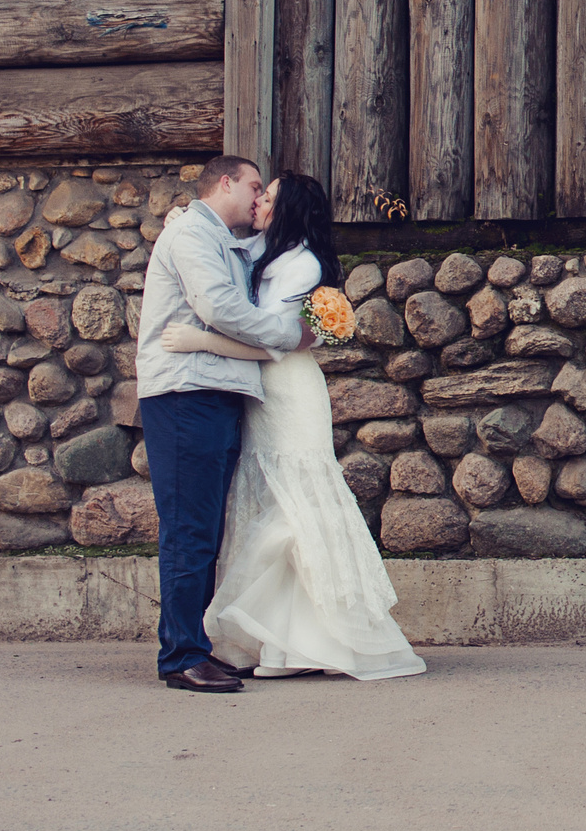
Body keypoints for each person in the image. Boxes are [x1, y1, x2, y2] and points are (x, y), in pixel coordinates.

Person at [162, 171, 426, 682]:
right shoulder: (266, 249)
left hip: (289, 392)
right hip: (263, 395)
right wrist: (182, 219)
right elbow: (220, 242)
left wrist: (204, 344)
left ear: (289, 208)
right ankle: (282, 647)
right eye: (258, 193)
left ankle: (321, 639)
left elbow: (278, 340)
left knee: (296, 513)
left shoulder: (302, 263)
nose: (258, 201)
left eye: (269, 197)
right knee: (275, 505)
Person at [135, 156, 319, 693]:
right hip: (184, 392)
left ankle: (193, 647)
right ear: (226, 183)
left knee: (205, 529)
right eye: (254, 186)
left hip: (211, 392)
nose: (259, 198)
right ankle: (181, 657)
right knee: (190, 530)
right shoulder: (193, 234)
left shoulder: (221, 238)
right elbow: (217, 306)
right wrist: (291, 335)